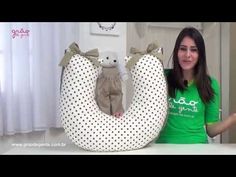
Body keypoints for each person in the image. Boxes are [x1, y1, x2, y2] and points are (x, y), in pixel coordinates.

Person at [156, 27, 236, 144]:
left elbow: (211, 130)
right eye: (183, 49)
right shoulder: (162, 77)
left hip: (198, 147)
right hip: (164, 146)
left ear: (200, 55)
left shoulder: (211, 84)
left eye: (194, 50)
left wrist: (233, 118)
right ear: (176, 52)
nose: (187, 55)